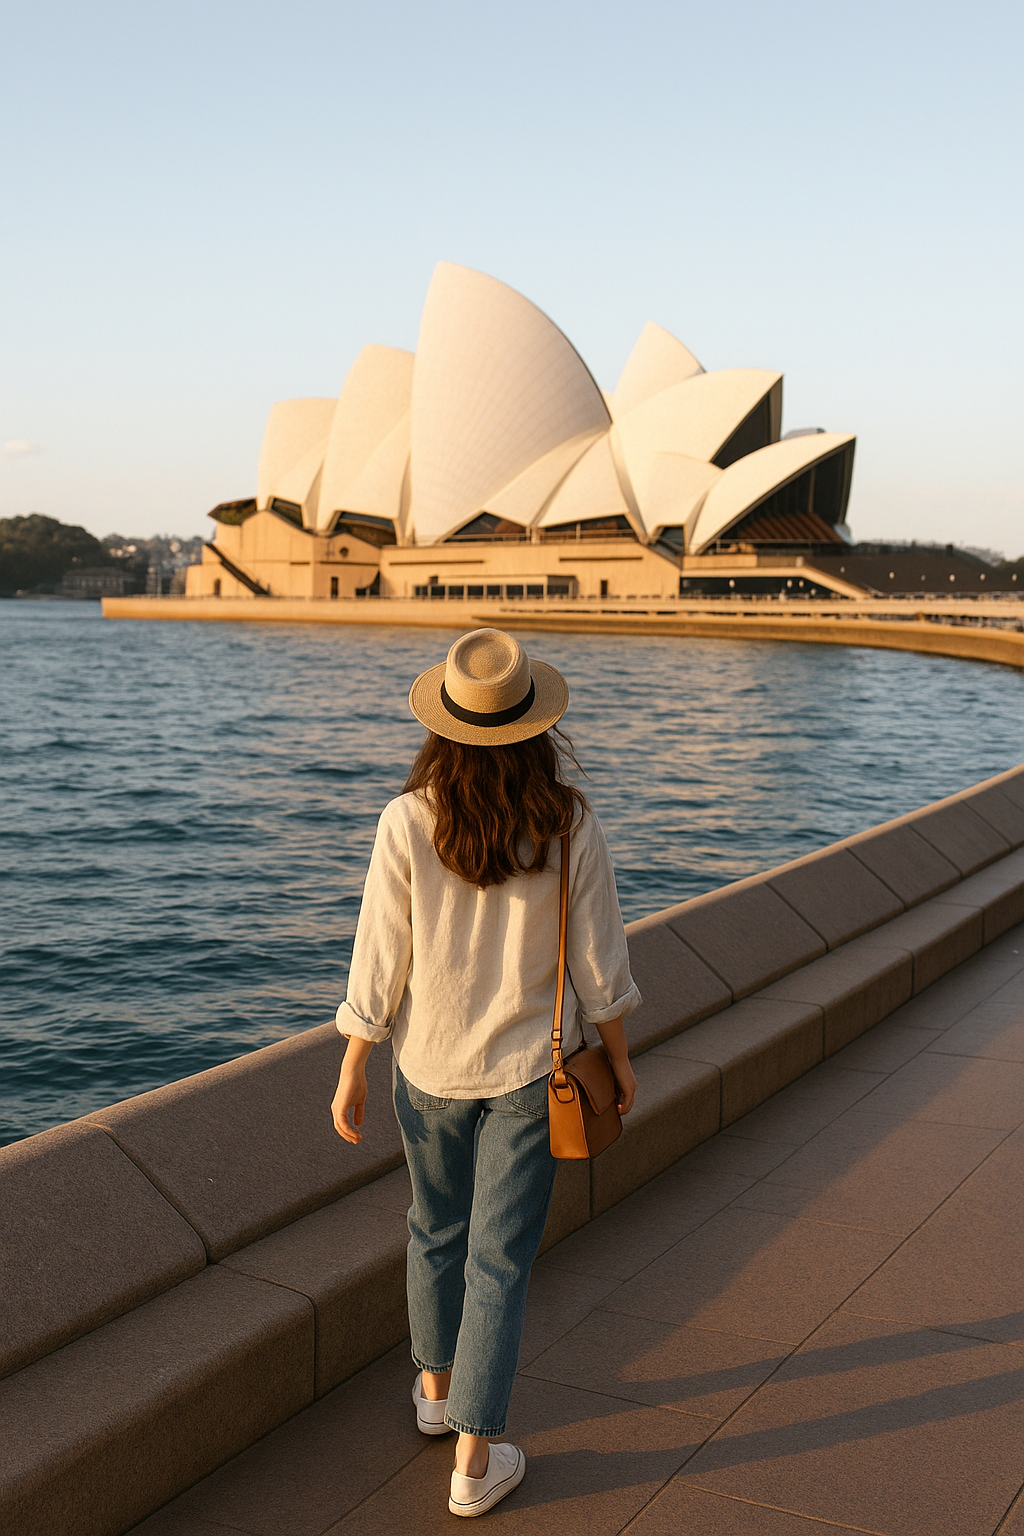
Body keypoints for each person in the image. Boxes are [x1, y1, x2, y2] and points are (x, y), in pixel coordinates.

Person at [330, 628, 640, 1518]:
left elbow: (379, 959)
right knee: (498, 1261)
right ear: (537, 725)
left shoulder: (406, 819)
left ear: (445, 725)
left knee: (433, 1227)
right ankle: (474, 1459)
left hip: (425, 1065)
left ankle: (435, 1394)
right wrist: (619, 1061)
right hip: (530, 1074)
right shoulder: (568, 823)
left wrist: (354, 1065)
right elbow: (599, 964)